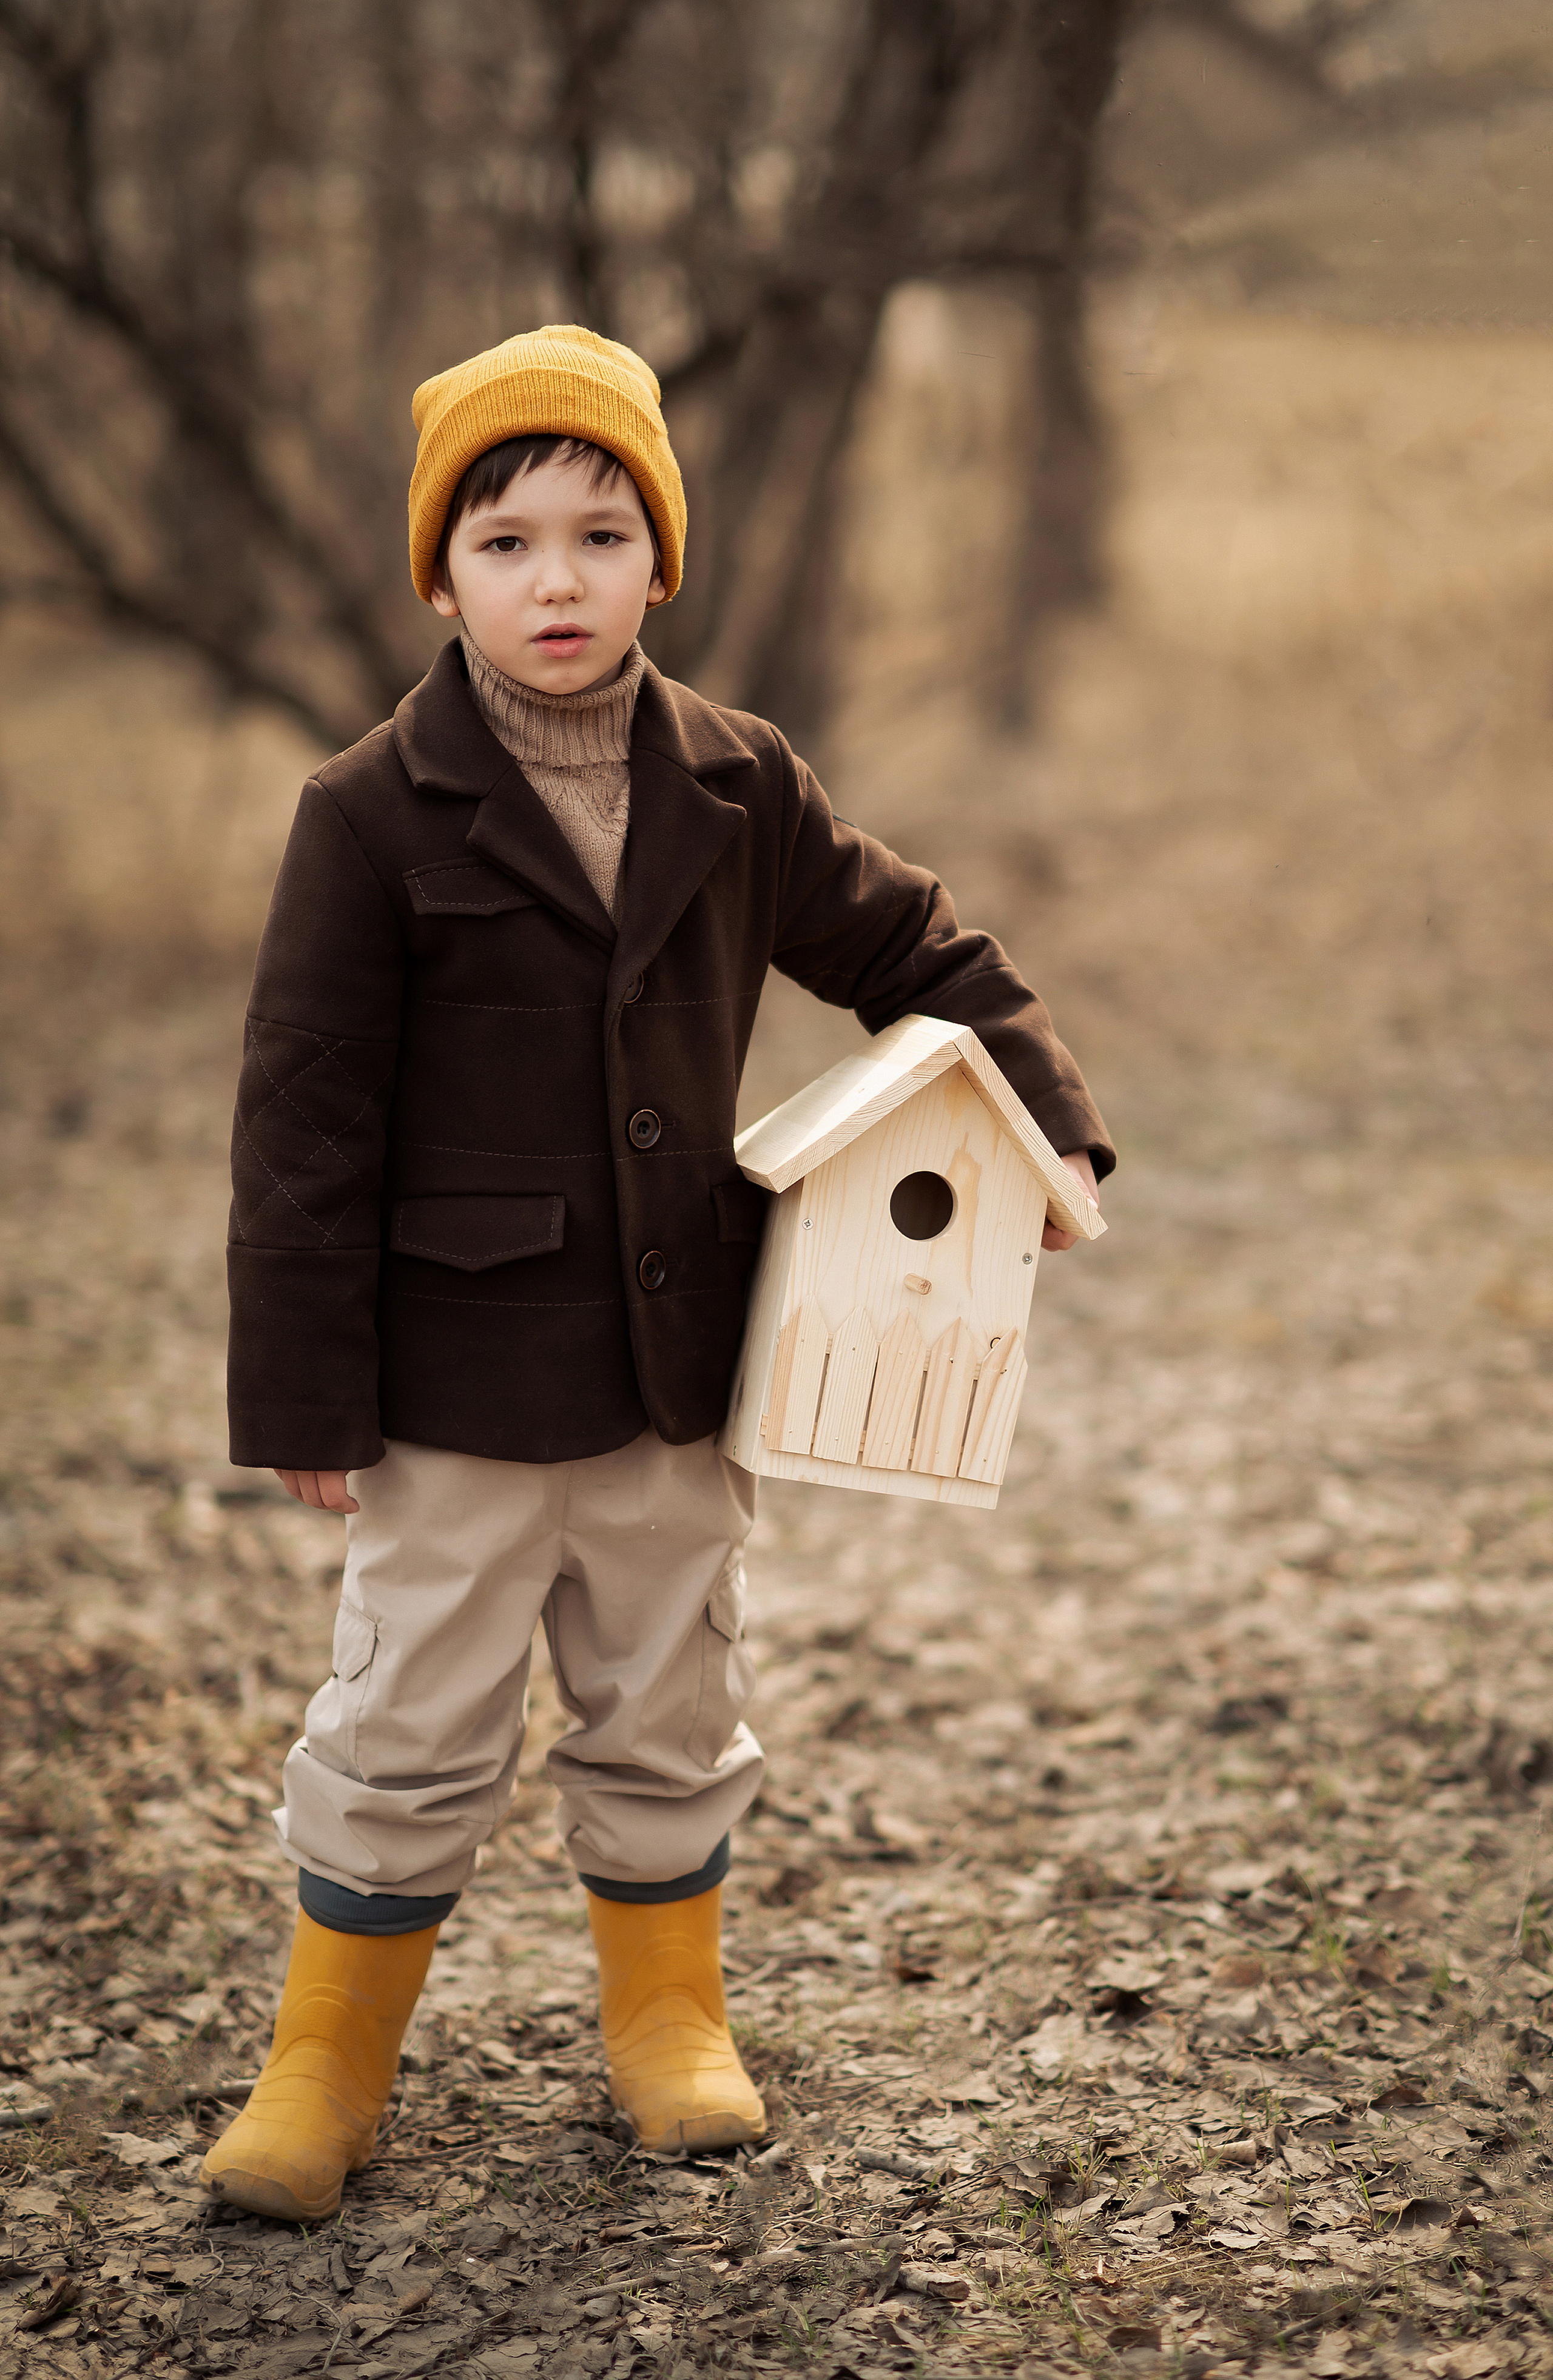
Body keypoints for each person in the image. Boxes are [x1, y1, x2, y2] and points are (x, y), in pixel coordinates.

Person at [201, 324, 1113, 2224]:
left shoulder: (735, 782)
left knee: (670, 1698)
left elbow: (922, 949)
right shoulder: (367, 815)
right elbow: (302, 1122)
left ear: (658, 562)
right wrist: (303, 1390)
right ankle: (326, 2057)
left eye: (602, 535)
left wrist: (1048, 1134)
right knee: (405, 1719)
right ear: (443, 572)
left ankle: (667, 2017)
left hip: (682, 1364)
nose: (558, 579)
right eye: (510, 540)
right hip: (449, 1385)